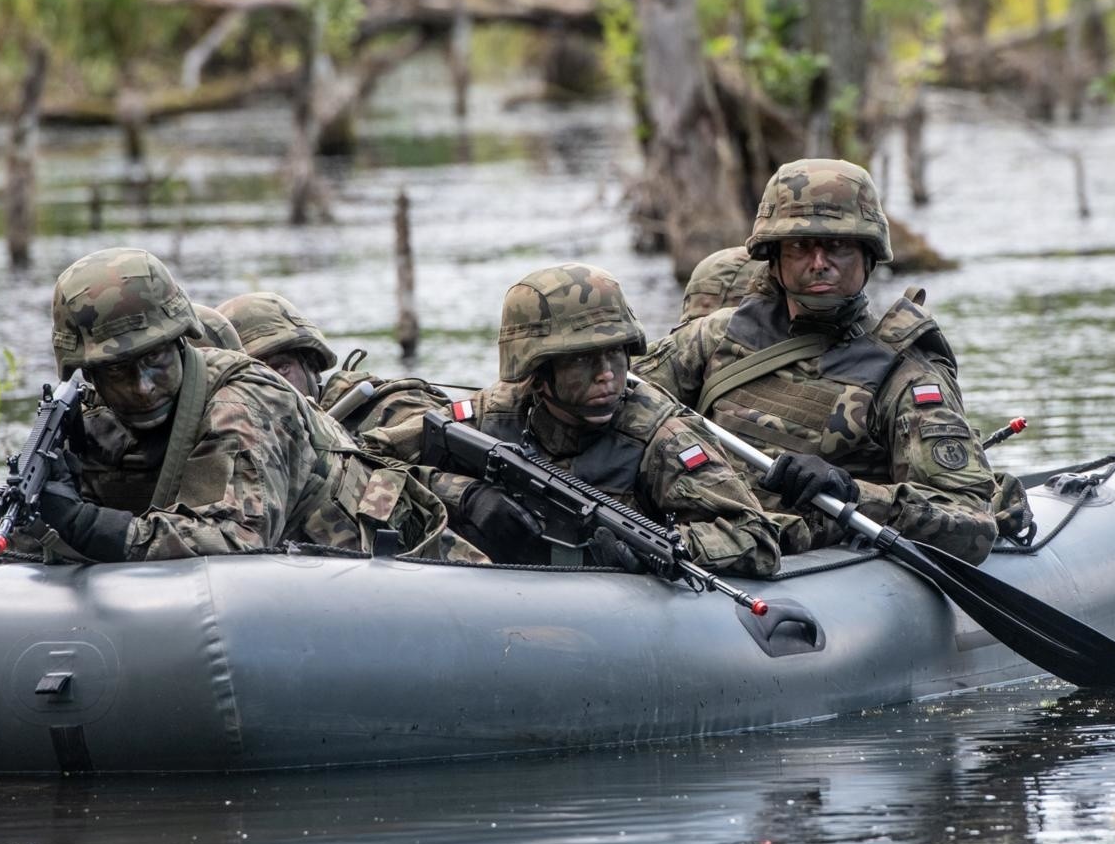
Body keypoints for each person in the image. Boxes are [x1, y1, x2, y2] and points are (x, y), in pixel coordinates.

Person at [636, 158, 1016, 564]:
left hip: (815, 567)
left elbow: (972, 523)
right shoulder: (713, 338)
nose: (819, 263)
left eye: (837, 246)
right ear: (775, 257)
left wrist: (851, 491)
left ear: (867, 256)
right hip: (695, 546)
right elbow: (618, 406)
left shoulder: (905, 372)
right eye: (800, 247)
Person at [13, 247, 481, 563]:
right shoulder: (87, 419)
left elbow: (235, 542)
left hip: (407, 578)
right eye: (118, 371)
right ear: (88, 372)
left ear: (181, 343)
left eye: (155, 360)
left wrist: (82, 524)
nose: (142, 387)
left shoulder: (246, 398)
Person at [364, 264, 781, 576]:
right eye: (583, 359)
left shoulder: (659, 436)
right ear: (538, 372)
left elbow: (756, 537)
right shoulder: (491, 415)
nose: (607, 374)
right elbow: (366, 463)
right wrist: (465, 495)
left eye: (616, 354)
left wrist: (660, 550)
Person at [215, 291, 450, 436]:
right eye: (255, 378)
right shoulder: (225, 446)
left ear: (310, 365)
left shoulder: (371, 408)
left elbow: (428, 425)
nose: (273, 386)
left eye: (281, 368)